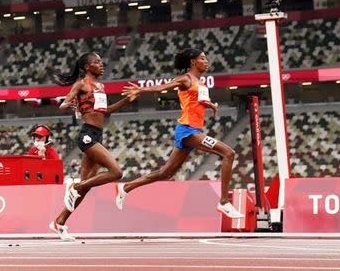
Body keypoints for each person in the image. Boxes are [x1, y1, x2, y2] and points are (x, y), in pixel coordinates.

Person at [114, 48, 244, 219]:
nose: (207, 62)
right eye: (203, 59)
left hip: (193, 130)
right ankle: (224, 201)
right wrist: (141, 90)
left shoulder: (201, 83)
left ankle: (125, 188)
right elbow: (163, 87)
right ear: (193, 62)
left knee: (166, 173)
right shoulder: (186, 79)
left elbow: (198, 100)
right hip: (187, 130)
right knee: (229, 153)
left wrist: (210, 105)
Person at [49, 52, 137, 241]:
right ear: (88, 67)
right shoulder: (81, 84)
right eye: (97, 62)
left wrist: (126, 101)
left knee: (86, 187)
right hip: (87, 135)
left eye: (101, 61)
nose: (102, 64)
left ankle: (60, 222)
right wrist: (68, 103)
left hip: (98, 134)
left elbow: (105, 111)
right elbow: (64, 104)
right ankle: (74, 186)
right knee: (116, 172)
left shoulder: (101, 86)